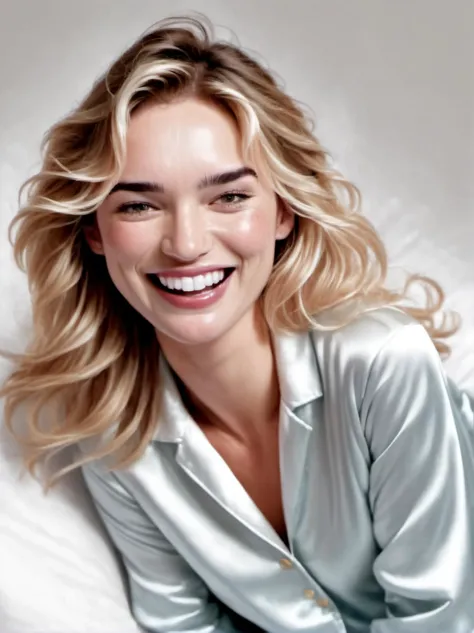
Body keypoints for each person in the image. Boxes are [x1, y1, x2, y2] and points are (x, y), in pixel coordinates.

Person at [2, 14, 474, 633]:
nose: (187, 244)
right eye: (140, 204)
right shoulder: (113, 439)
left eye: (228, 196)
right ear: (94, 230)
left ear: (283, 211)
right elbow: (184, 626)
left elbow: (440, 620)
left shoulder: (385, 364)